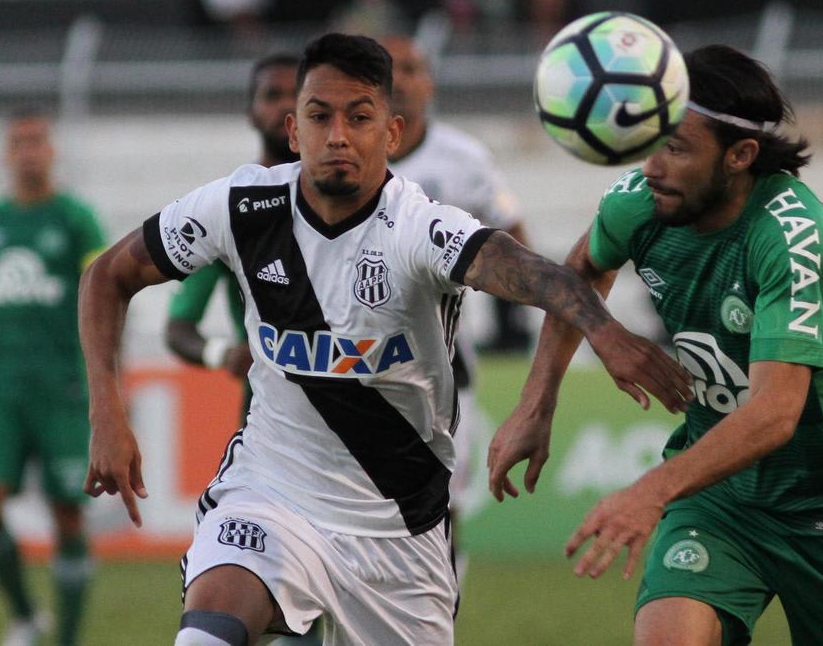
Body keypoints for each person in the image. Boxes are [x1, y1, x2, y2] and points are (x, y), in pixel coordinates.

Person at [78, 33, 690, 645]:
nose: (338, 135)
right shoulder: (241, 207)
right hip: (270, 494)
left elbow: (528, 271)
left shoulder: (418, 227)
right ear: (293, 131)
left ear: (392, 133)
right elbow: (109, 275)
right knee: (208, 634)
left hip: (399, 526)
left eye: (360, 116)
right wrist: (107, 411)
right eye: (320, 116)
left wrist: (606, 330)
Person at [487, 44, 823, 645]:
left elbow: (774, 415)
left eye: (677, 148)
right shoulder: (638, 202)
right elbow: (581, 271)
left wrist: (649, 493)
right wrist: (551, 390)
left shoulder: (790, 236)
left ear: (740, 156)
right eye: (651, 142)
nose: (652, 167)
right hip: (717, 497)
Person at [382, 34, 529, 576]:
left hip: (444, 368)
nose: (400, 78)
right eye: (388, 67)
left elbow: (510, 234)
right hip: (352, 365)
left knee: (442, 509)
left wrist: (511, 315)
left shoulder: (463, 158)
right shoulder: (342, 158)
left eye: (411, 67)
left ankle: (436, 622)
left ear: (430, 82)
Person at [0, 109, 106, 646]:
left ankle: (64, 639)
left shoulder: (74, 218)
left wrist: (109, 377)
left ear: (52, 151)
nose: (29, 150)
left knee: (67, 515)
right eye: (19, 142)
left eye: (37, 140)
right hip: (2, 391)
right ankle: (23, 613)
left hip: (62, 391)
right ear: (5, 153)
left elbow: (105, 292)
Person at [166, 53, 299, 418]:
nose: (286, 105)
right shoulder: (230, 211)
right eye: (272, 95)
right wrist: (223, 353)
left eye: (297, 94)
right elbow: (179, 328)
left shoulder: (352, 199)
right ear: (251, 113)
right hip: (266, 418)